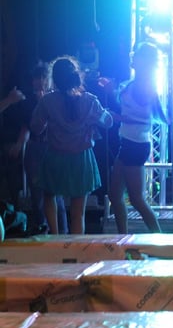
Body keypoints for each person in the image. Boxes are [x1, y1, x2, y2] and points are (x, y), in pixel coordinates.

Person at [30, 56, 113, 234]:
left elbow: (36, 128)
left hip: (55, 156)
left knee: (49, 196)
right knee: (78, 213)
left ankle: (55, 237)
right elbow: (108, 122)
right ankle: (76, 247)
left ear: (54, 79)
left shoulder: (47, 101)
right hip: (81, 159)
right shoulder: (89, 100)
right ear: (76, 76)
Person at [108, 42, 166, 234]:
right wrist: (112, 92)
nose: (132, 57)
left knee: (136, 199)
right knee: (115, 195)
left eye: (136, 55)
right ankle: (122, 237)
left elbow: (143, 118)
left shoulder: (144, 85)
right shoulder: (135, 83)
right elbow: (130, 108)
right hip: (129, 143)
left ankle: (159, 238)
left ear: (143, 61)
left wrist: (120, 118)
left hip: (136, 144)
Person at [20, 63, 69, 234]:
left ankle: (62, 233)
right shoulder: (27, 100)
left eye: (43, 77)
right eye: (37, 78)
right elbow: (29, 126)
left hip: (53, 146)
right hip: (34, 147)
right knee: (37, 194)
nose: (40, 81)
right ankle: (43, 230)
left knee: (56, 195)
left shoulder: (56, 98)